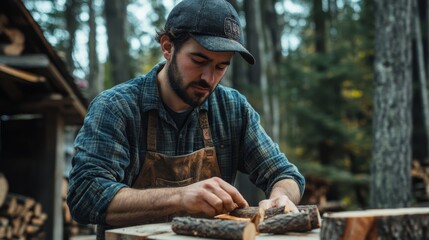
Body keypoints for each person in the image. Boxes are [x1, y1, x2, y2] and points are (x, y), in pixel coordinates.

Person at [67, 0, 305, 239]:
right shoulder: (116, 107)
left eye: (221, 66)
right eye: (199, 61)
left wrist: (280, 198)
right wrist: (181, 197)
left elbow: (285, 174)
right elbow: (86, 195)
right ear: (168, 47)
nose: (209, 78)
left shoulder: (232, 108)